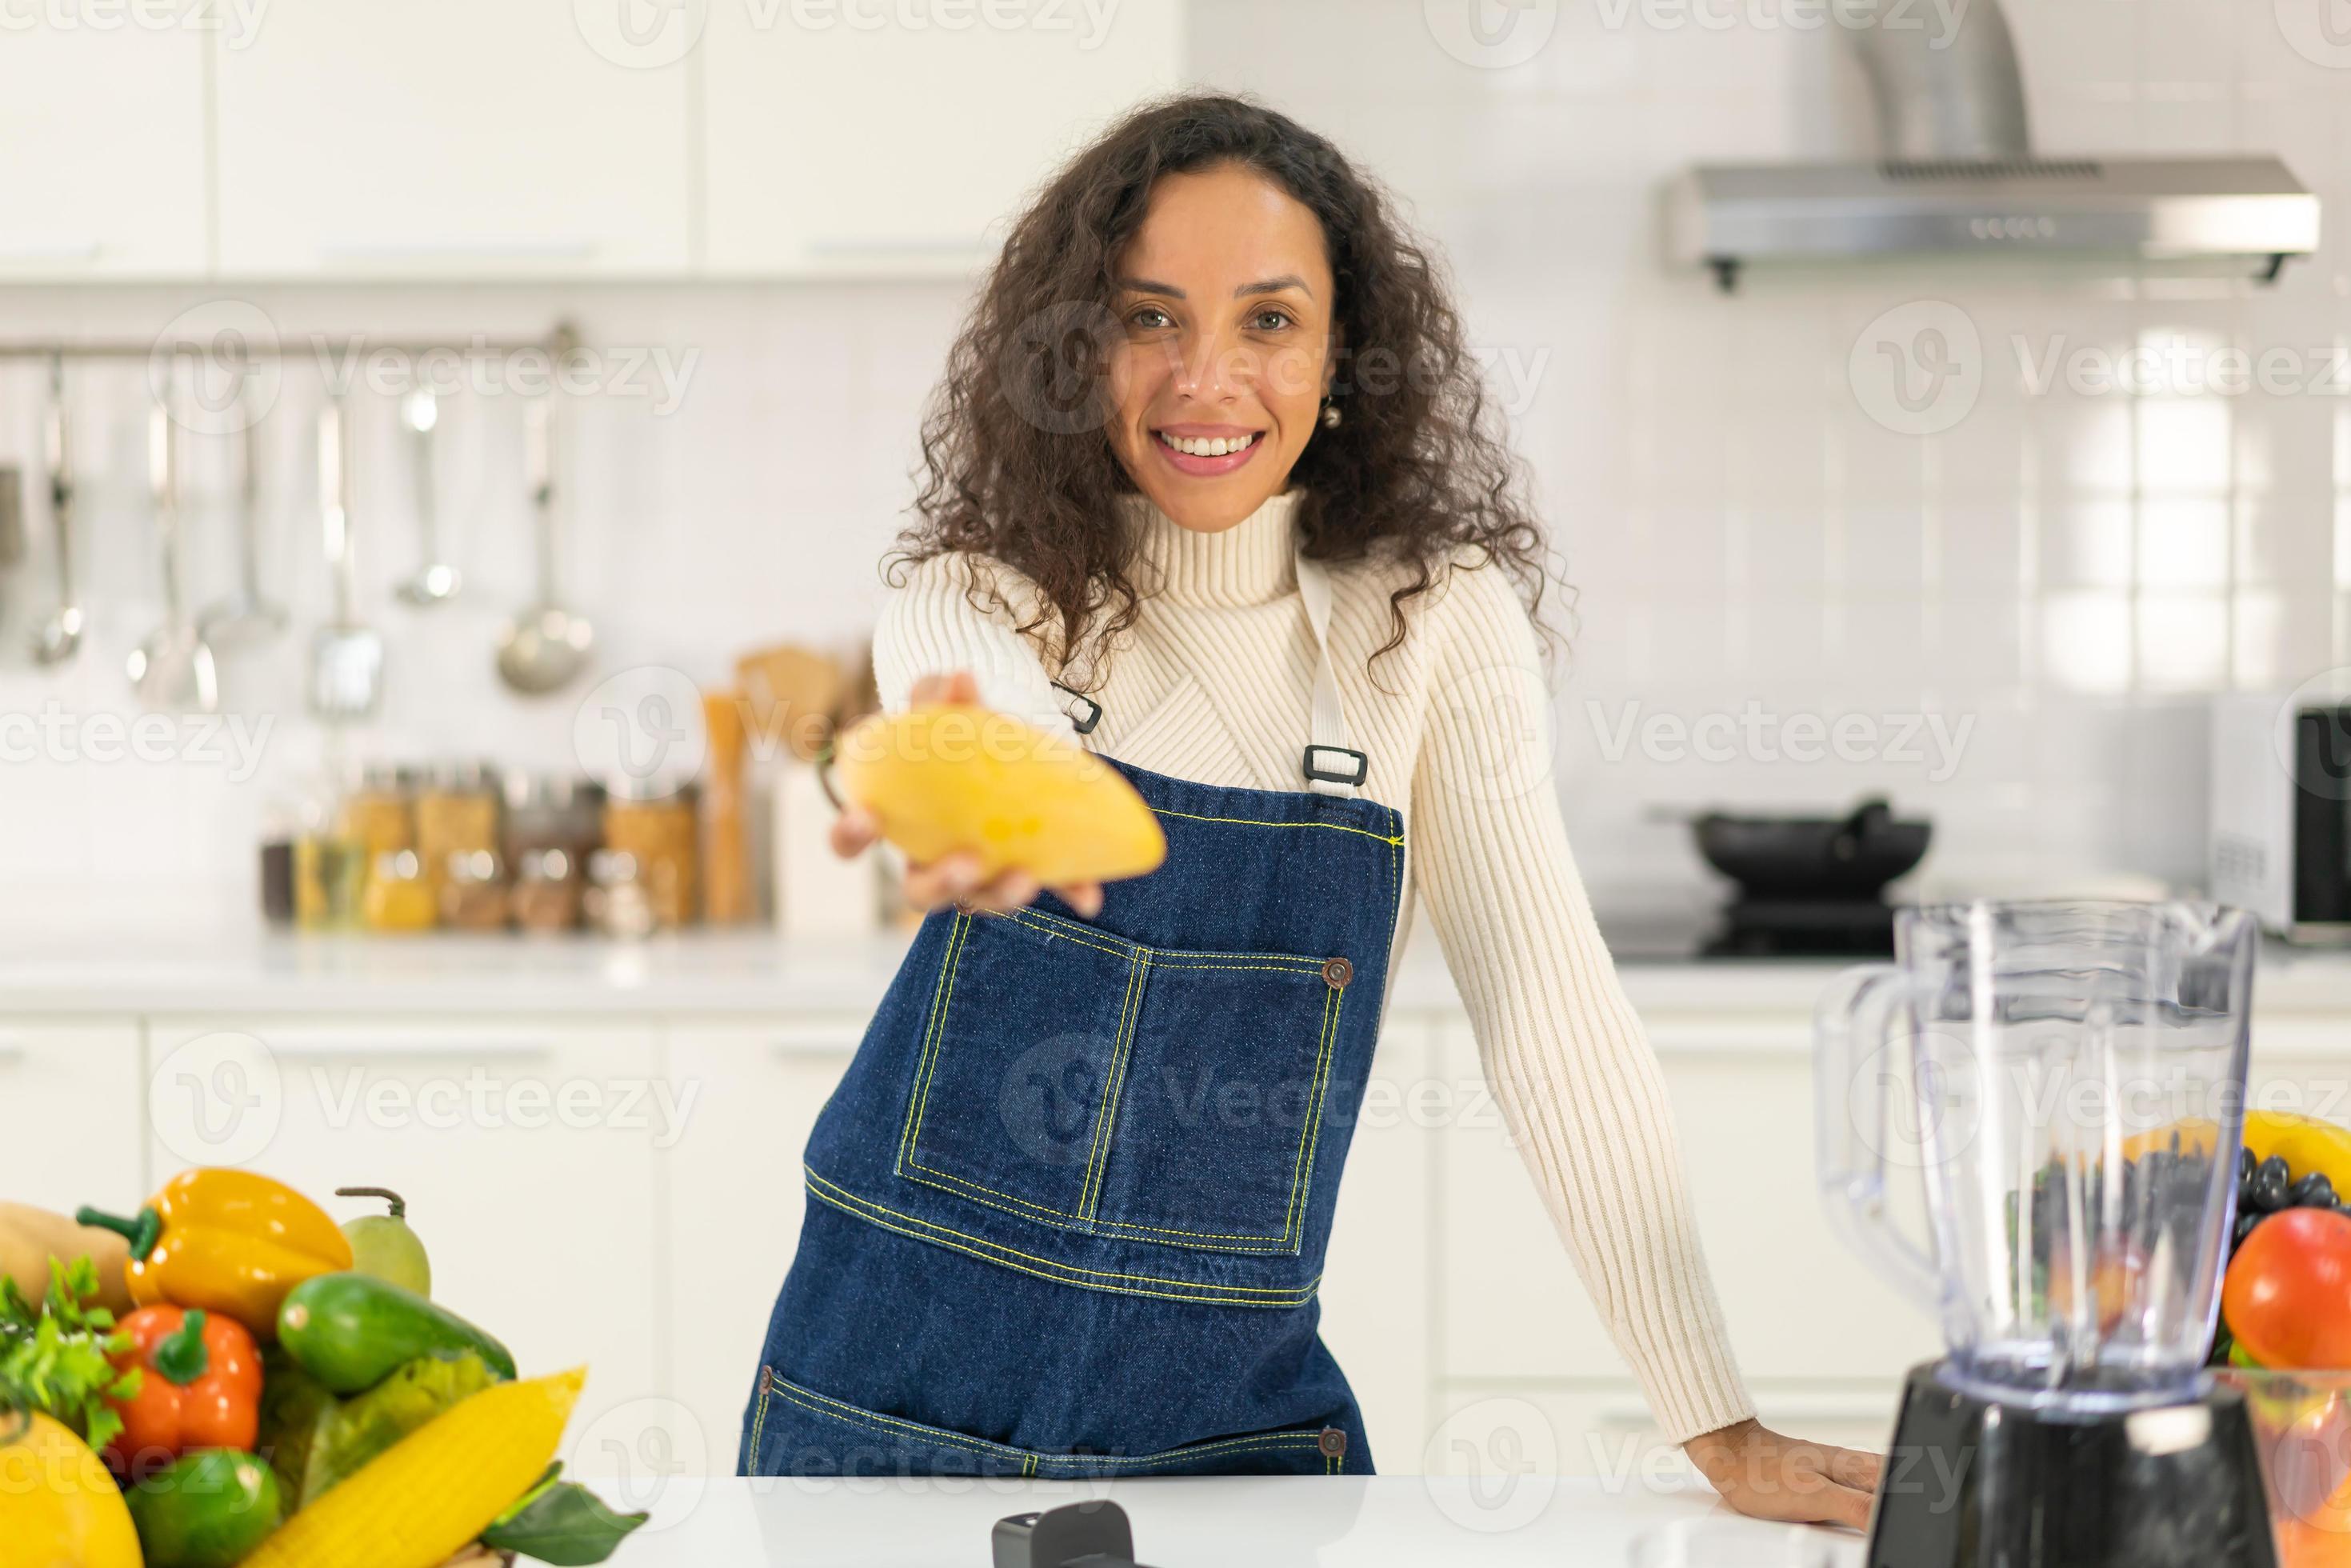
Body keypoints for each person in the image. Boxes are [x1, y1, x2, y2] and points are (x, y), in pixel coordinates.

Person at [741, 91, 1881, 1529]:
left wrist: (1716, 1417)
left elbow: (1550, 1012)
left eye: (1268, 321)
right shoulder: (984, 594)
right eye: (1147, 316)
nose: (1207, 378)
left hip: (1226, 1438)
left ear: (1343, 357)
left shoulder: (1427, 625)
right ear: (1070, 351)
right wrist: (980, 799)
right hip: (885, 1410)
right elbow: (976, 730)